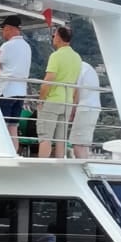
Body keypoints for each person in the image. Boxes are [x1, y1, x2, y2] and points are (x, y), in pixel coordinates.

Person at [37, 25, 81, 159]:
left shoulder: (56, 56)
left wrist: (41, 100)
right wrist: (73, 103)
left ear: (59, 37)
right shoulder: (77, 57)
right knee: (61, 139)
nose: (53, 38)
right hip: (67, 101)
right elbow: (75, 84)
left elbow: (49, 79)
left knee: (45, 137)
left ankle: (42, 165)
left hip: (53, 100)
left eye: (54, 35)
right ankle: (60, 165)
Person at [0, 18, 32, 145]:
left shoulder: (7, 46)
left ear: (9, 28)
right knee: (13, 127)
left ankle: (1, 150)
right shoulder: (27, 47)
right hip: (21, 92)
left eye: (4, 29)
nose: (3, 32)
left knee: (2, 125)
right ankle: (14, 152)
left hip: (7, 91)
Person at [71, 58, 102, 158]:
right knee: (82, 145)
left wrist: (71, 112)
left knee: (78, 145)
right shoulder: (86, 67)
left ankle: (82, 169)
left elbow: (76, 91)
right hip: (92, 107)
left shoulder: (77, 67)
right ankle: (85, 168)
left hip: (85, 108)